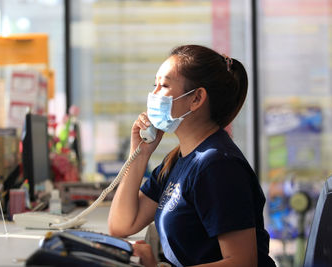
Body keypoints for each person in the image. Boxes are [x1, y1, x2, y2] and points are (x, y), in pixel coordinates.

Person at [108, 44, 276, 267]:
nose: (154, 95)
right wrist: (139, 153)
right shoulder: (179, 159)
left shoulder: (218, 166)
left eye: (164, 85)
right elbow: (122, 225)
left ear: (196, 98)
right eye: (154, 85)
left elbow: (242, 262)